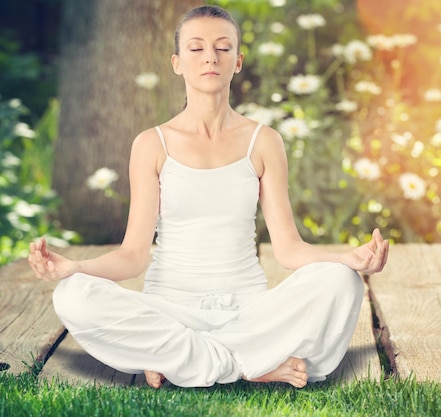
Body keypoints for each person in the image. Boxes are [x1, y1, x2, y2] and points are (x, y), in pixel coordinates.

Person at [28, 5, 389, 389]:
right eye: (196, 48)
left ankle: (182, 359)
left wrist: (346, 259)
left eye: (222, 47)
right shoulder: (152, 144)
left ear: (237, 60)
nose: (210, 57)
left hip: (248, 312)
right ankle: (250, 365)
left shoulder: (264, 142)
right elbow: (132, 257)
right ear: (177, 62)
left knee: (343, 283)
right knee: (72, 295)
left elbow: (288, 250)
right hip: (171, 310)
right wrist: (75, 268)